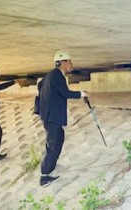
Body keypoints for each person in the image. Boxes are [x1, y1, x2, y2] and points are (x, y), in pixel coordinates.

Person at [37, 51, 89, 187]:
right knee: (54, 145)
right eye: (70, 61)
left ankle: (50, 167)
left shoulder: (51, 74)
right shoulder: (56, 75)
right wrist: (81, 93)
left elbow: (40, 85)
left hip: (50, 116)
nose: (72, 64)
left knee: (58, 140)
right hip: (52, 117)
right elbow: (65, 93)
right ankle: (44, 176)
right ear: (64, 62)